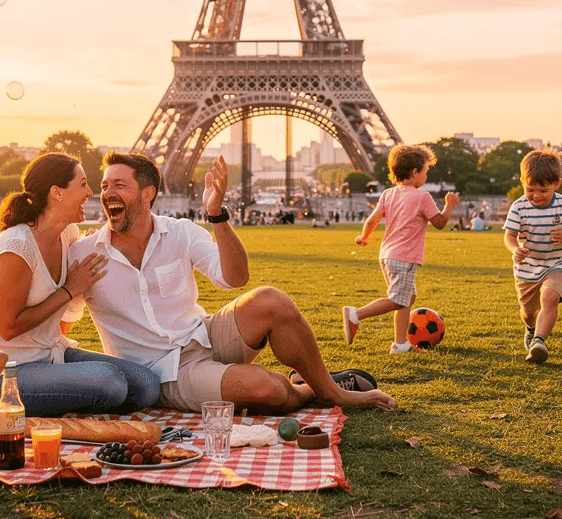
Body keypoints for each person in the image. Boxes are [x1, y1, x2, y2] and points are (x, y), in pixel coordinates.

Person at [70, 152, 396, 414]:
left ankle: (331, 393)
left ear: (147, 193)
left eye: (119, 186)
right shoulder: (84, 254)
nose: (108, 194)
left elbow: (235, 278)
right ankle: (306, 389)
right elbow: (61, 320)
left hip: (204, 334)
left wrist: (217, 215)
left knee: (270, 299)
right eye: (104, 186)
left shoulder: (181, 232)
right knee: (265, 388)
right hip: (165, 373)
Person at [0, 153, 161, 417]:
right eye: (82, 184)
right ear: (56, 193)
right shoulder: (16, 247)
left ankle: (63, 401)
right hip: (1, 377)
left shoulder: (67, 235)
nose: (91, 192)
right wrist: (69, 289)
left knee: (146, 383)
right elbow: (8, 327)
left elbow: (64, 314)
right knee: (109, 382)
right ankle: (47, 402)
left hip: (51, 356)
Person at [343, 145, 460, 353]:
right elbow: (440, 222)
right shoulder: (422, 197)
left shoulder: (388, 194)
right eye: (425, 171)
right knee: (397, 299)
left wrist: (364, 236)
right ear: (415, 173)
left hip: (387, 255)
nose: (426, 176)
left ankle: (400, 344)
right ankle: (356, 315)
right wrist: (449, 204)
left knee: (407, 298)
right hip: (404, 258)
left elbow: (373, 219)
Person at [502, 149, 562, 363]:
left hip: (558, 263)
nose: (537, 195)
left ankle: (539, 341)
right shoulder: (518, 207)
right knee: (529, 313)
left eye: (543, 190)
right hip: (527, 268)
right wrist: (515, 249)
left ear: (556, 184)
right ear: (522, 182)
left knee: (549, 298)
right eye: (530, 189)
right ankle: (531, 328)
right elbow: (509, 236)